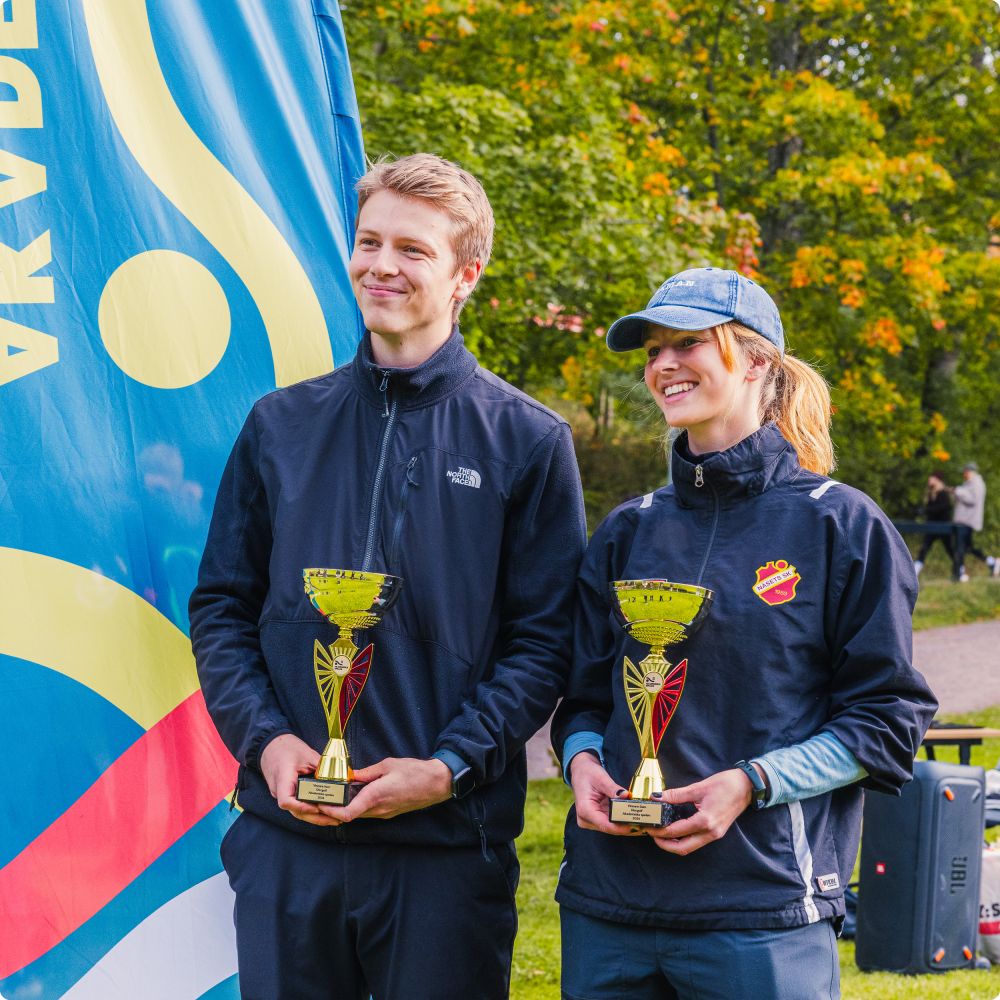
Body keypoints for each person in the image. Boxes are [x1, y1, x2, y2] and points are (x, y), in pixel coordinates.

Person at [189, 153, 587, 999]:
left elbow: (543, 643)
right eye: (370, 242)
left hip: (444, 853)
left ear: (464, 275)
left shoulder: (527, 441)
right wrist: (267, 741)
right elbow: (222, 607)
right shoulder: (279, 425)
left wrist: (448, 767)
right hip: (286, 844)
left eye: (413, 249)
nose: (382, 265)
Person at [551, 267, 937, 999]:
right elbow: (581, 699)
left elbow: (888, 720)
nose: (664, 364)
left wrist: (751, 785)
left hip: (761, 910)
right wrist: (582, 764)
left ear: (757, 360)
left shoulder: (840, 524)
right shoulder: (628, 528)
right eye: (653, 349)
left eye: (689, 342)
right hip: (608, 906)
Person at [952, 461, 998, 582]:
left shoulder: (976, 483)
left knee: (961, 548)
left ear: (970, 471)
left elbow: (972, 499)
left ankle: (960, 573)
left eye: (965, 471)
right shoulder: (969, 483)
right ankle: (992, 562)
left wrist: (958, 491)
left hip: (967, 521)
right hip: (963, 521)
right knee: (968, 548)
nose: (964, 474)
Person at [913, 471, 954, 577]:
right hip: (932, 527)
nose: (929, 480)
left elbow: (942, 508)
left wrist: (926, 510)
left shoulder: (943, 493)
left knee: (950, 549)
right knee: (925, 547)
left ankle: (960, 570)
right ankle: (914, 571)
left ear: (937, 480)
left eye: (931, 478)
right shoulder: (931, 493)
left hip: (943, 527)